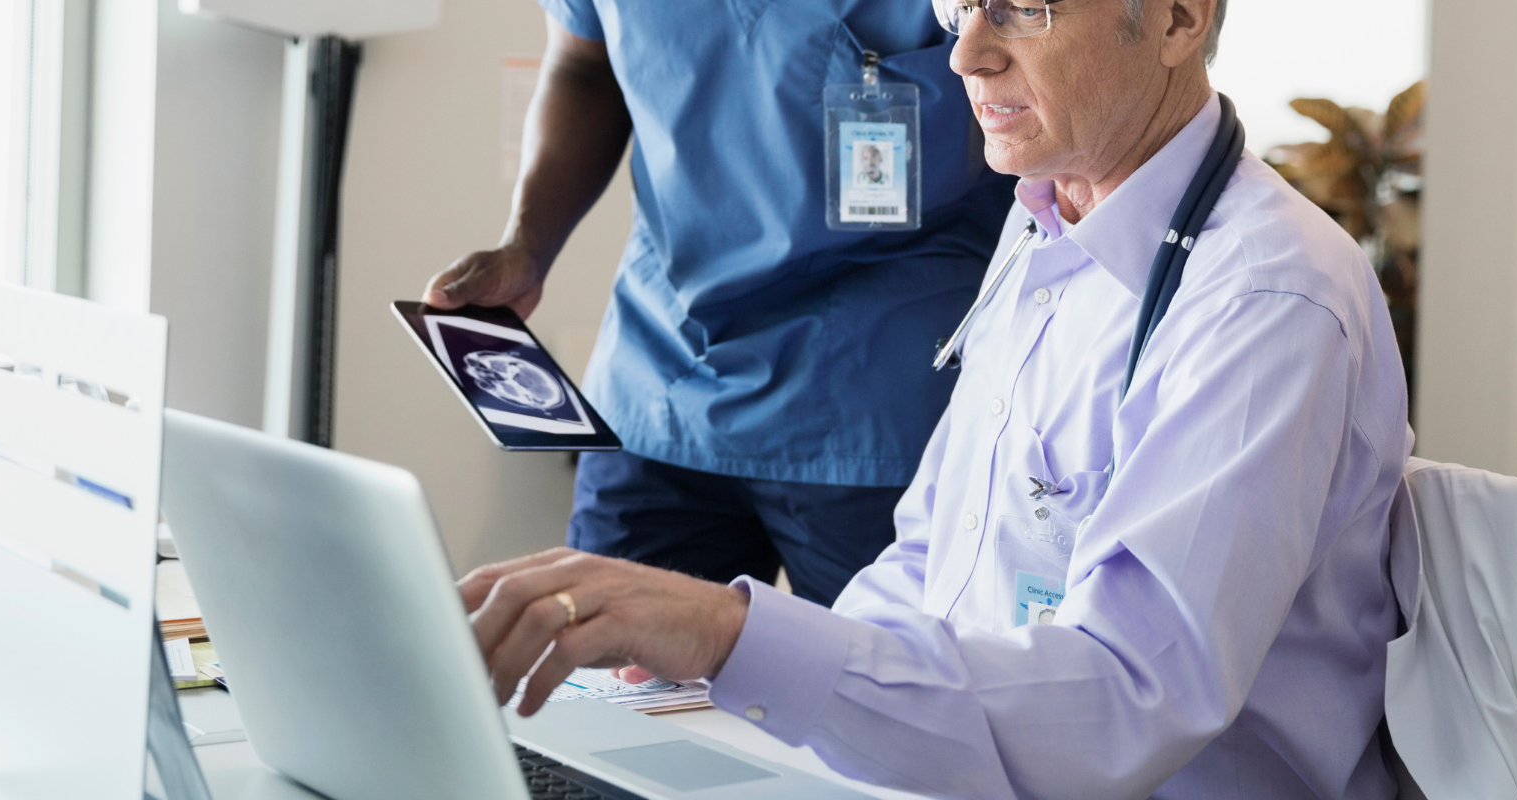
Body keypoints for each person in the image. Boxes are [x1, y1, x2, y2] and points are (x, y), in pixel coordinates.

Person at [460, 0, 1413, 796]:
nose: (964, 52)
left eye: (1021, 8)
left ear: (1176, 17)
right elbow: (929, 567)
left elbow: (1131, 695)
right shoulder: (1049, 225)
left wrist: (728, 633)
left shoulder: (1263, 299)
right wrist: (753, 696)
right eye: (957, 5)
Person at [423, 0, 1015, 606]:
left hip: (882, 394)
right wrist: (526, 244)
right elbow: (583, 64)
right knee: (613, 681)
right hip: (663, 378)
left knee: (883, 683)